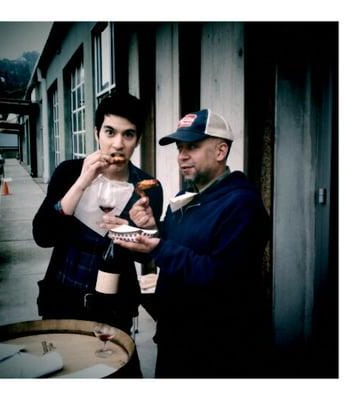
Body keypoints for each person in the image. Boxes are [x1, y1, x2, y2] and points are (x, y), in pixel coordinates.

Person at [114, 109, 271, 378]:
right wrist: (151, 226)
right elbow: (176, 240)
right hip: (175, 337)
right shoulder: (187, 193)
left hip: (216, 349)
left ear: (220, 151)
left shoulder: (242, 204)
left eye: (193, 147)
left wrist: (159, 248)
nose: (181, 156)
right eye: (180, 147)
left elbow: (220, 276)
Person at [32, 92, 163, 377]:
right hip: (61, 302)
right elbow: (42, 235)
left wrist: (136, 231)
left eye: (128, 134)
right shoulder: (69, 172)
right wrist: (82, 183)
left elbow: (148, 254)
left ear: (137, 139)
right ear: (96, 133)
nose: (118, 144)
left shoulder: (148, 187)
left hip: (114, 310)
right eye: (110, 132)